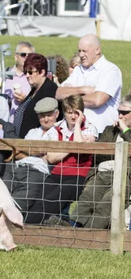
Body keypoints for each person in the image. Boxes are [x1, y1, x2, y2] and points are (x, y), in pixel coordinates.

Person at [25, 95, 98, 225]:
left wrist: (77, 127)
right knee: (40, 197)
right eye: (70, 113)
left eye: (77, 113)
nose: (73, 116)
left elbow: (82, 150)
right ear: (64, 113)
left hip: (78, 175)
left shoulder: (90, 128)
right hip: (57, 172)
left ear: (82, 113)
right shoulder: (56, 128)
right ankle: (26, 224)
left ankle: (30, 226)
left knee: (54, 200)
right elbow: (52, 158)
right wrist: (73, 145)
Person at [71, 95, 131, 229]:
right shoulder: (110, 130)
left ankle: (85, 236)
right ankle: (73, 229)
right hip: (103, 172)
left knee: (106, 205)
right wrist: (117, 130)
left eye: (125, 113)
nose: (120, 116)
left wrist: (126, 131)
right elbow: (100, 155)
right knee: (86, 200)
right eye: (119, 112)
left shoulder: (125, 131)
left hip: (125, 176)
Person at [56, 34, 122, 134]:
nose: (81, 55)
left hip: (102, 134)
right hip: (75, 132)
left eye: (84, 51)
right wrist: (83, 90)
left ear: (97, 50)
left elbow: (97, 100)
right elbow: (58, 93)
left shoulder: (110, 70)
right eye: (79, 51)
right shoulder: (78, 70)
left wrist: (70, 98)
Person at [7, 97, 59, 216]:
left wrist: (28, 151)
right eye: (42, 115)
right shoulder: (33, 132)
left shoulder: (59, 132)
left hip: (37, 172)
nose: (46, 119)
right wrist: (39, 152)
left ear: (57, 114)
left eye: (49, 115)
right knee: (1, 193)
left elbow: (51, 157)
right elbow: (18, 153)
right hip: (17, 167)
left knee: (18, 203)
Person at [12, 53, 59, 139]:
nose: (26, 75)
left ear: (42, 72)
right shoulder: (35, 89)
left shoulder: (49, 90)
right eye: (25, 72)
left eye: (30, 72)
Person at [0, 41, 34, 121]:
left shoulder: (35, 76)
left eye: (30, 55)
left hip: (26, 122)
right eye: (23, 55)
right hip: (5, 122)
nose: (27, 58)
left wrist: (25, 100)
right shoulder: (4, 74)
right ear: (16, 57)